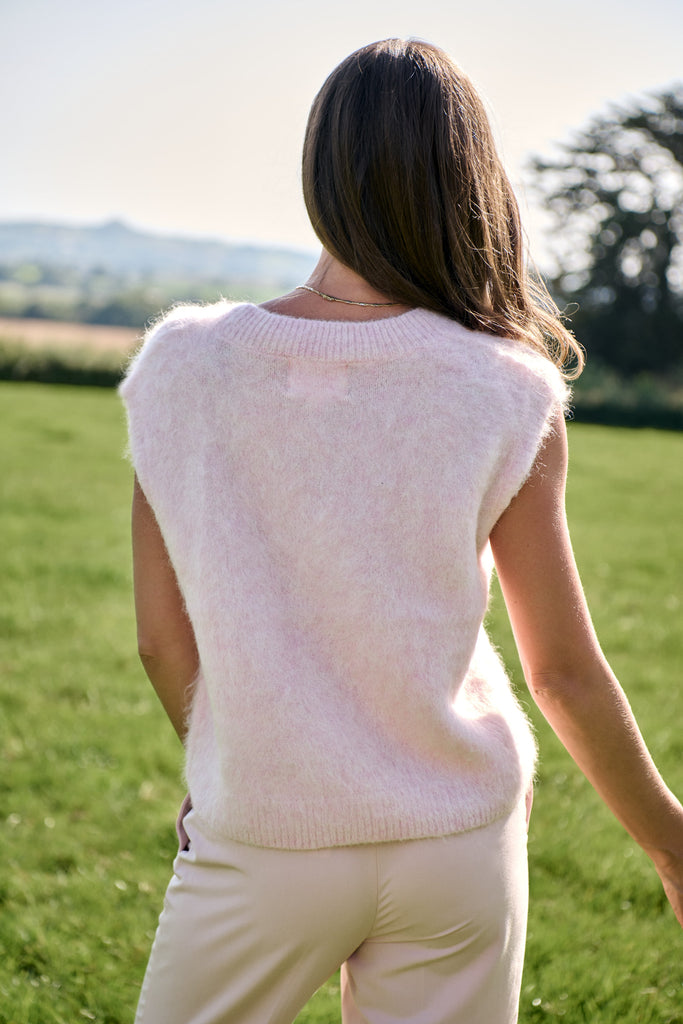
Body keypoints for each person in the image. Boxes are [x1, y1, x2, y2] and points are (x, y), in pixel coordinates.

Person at [119, 38, 683, 1024]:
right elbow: (560, 671)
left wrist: (231, 765)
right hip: (456, 846)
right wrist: (669, 843)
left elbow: (161, 642)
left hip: (264, 834)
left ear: (319, 173)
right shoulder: (507, 387)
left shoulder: (181, 366)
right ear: (470, 178)